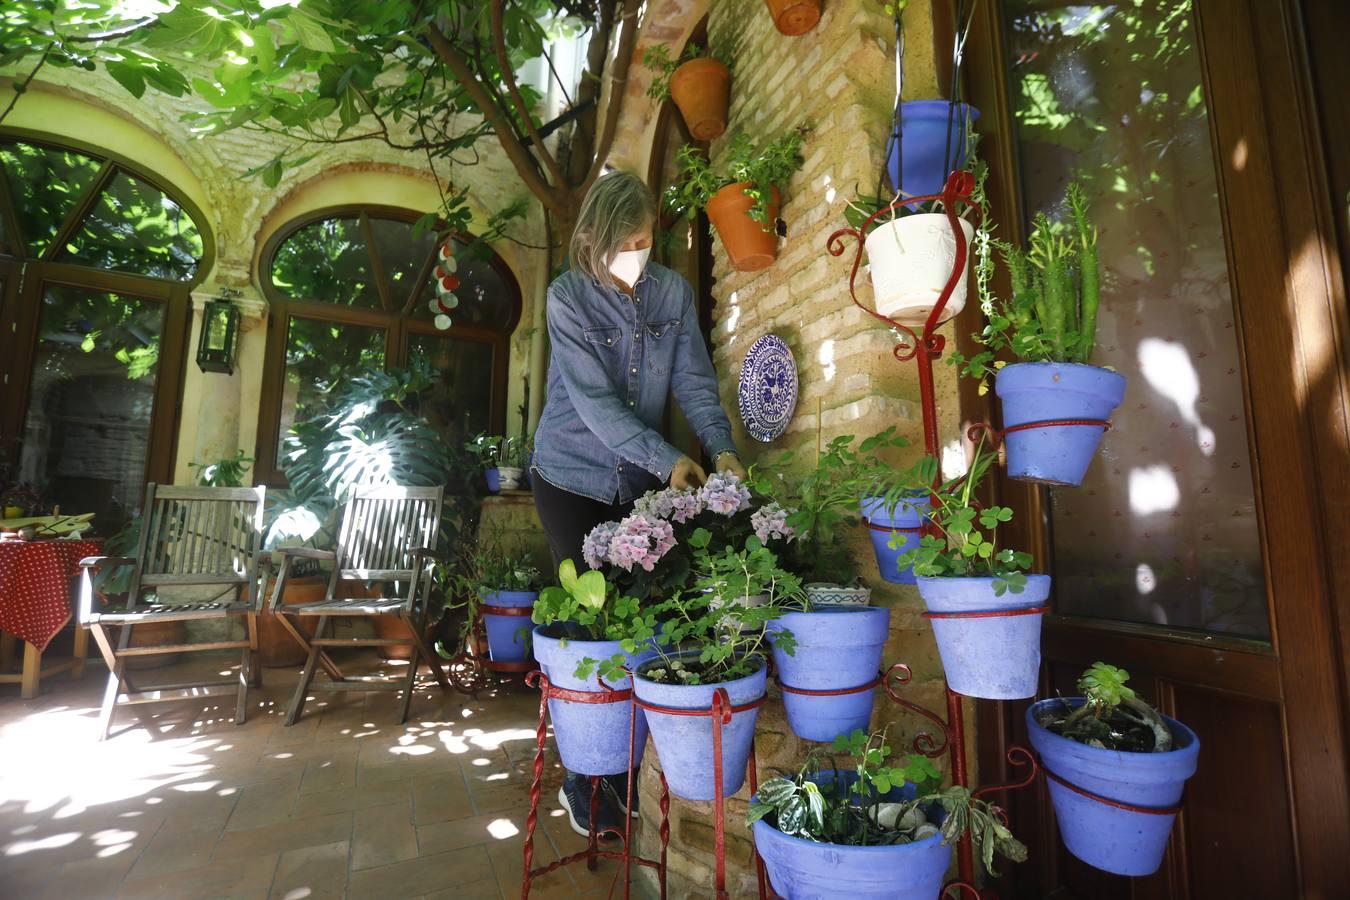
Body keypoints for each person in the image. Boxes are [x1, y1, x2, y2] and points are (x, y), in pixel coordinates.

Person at [531, 170, 746, 836]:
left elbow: (694, 382)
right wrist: (669, 461)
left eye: (644, 240)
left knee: (641, 626)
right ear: (592, 238)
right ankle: (583, 777)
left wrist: (721, 449)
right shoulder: (566, 298)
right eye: (620, 243)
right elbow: (594, 406)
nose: (633, 255)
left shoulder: (673, 294)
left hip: (637, 484)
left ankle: (615, 776)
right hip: (570, 475)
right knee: (593, 618)